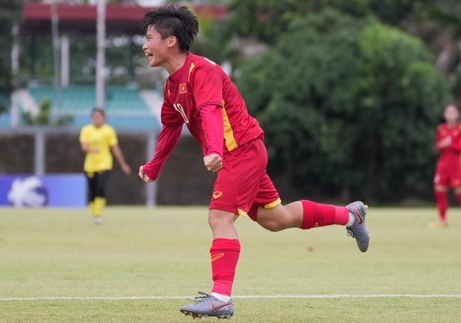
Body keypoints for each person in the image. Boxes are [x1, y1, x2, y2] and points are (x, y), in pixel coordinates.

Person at [138, 5, 370, 319]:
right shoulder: (171, 86)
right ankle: (350, 215)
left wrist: (215, 150)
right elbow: (170, 128)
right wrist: (154, 165)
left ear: (170, 42)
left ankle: (221, 298)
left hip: (241, 152)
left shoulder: (201, 70)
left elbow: (210, 109)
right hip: (241, 153)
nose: (144, 44)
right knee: (276, 220)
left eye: (149, 37)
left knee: (219, 219)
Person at [79, 108, 131, 224]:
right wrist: (93, 149)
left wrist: (123, 164)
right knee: (92, 192)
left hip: (104, 164)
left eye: (99, 116)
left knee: (100, 188)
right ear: (92, 118)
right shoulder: (86, 130)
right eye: (95, 117)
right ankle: (95, 214)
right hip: (90, 165)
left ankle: (98, 214)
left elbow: (115, 148)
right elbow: (84, 147)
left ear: (103, 118)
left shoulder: (108, 131)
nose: (97, 119)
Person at [430, 104, 461, 229]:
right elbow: (438, 147)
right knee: (439, 192)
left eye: (453, 112)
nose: (450, 114)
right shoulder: (441, 128)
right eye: (448, 112)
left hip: (457, 167)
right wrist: (443, 145)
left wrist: (450, 144)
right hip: (443, 166)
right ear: (445, 114)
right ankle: (442, 220)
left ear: (457, 114)